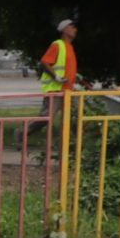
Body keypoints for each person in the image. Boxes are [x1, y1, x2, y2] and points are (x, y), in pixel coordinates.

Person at [39, 17, 80, 153]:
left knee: (75, 117)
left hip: (68, 90)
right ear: (64, 30)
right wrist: (56, 76)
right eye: (72, 27)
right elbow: (44, 62)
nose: (75, 30)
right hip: (55, 90)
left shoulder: (70, 47)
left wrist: (76, 78)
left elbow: (67, 68)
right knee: (46, 119)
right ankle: (22, 134)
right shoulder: (58, 45)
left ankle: (69, 146)